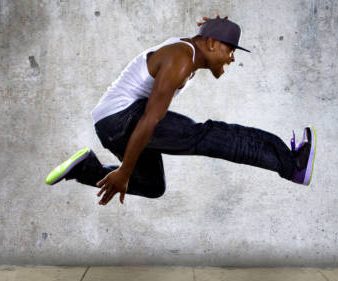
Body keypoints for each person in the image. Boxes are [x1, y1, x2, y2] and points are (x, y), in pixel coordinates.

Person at [45, 15, 316, 206]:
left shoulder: (190, 52)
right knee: (207, 135)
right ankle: (292, 165)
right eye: (230, 50)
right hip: (123, 119)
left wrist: (218, 33)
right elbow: (150, 118)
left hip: (113, 125)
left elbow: (152, 117)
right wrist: (124, 172)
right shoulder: (181, 59)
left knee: (152, 187)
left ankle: (85, 169)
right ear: (210, 43)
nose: (232, 58)